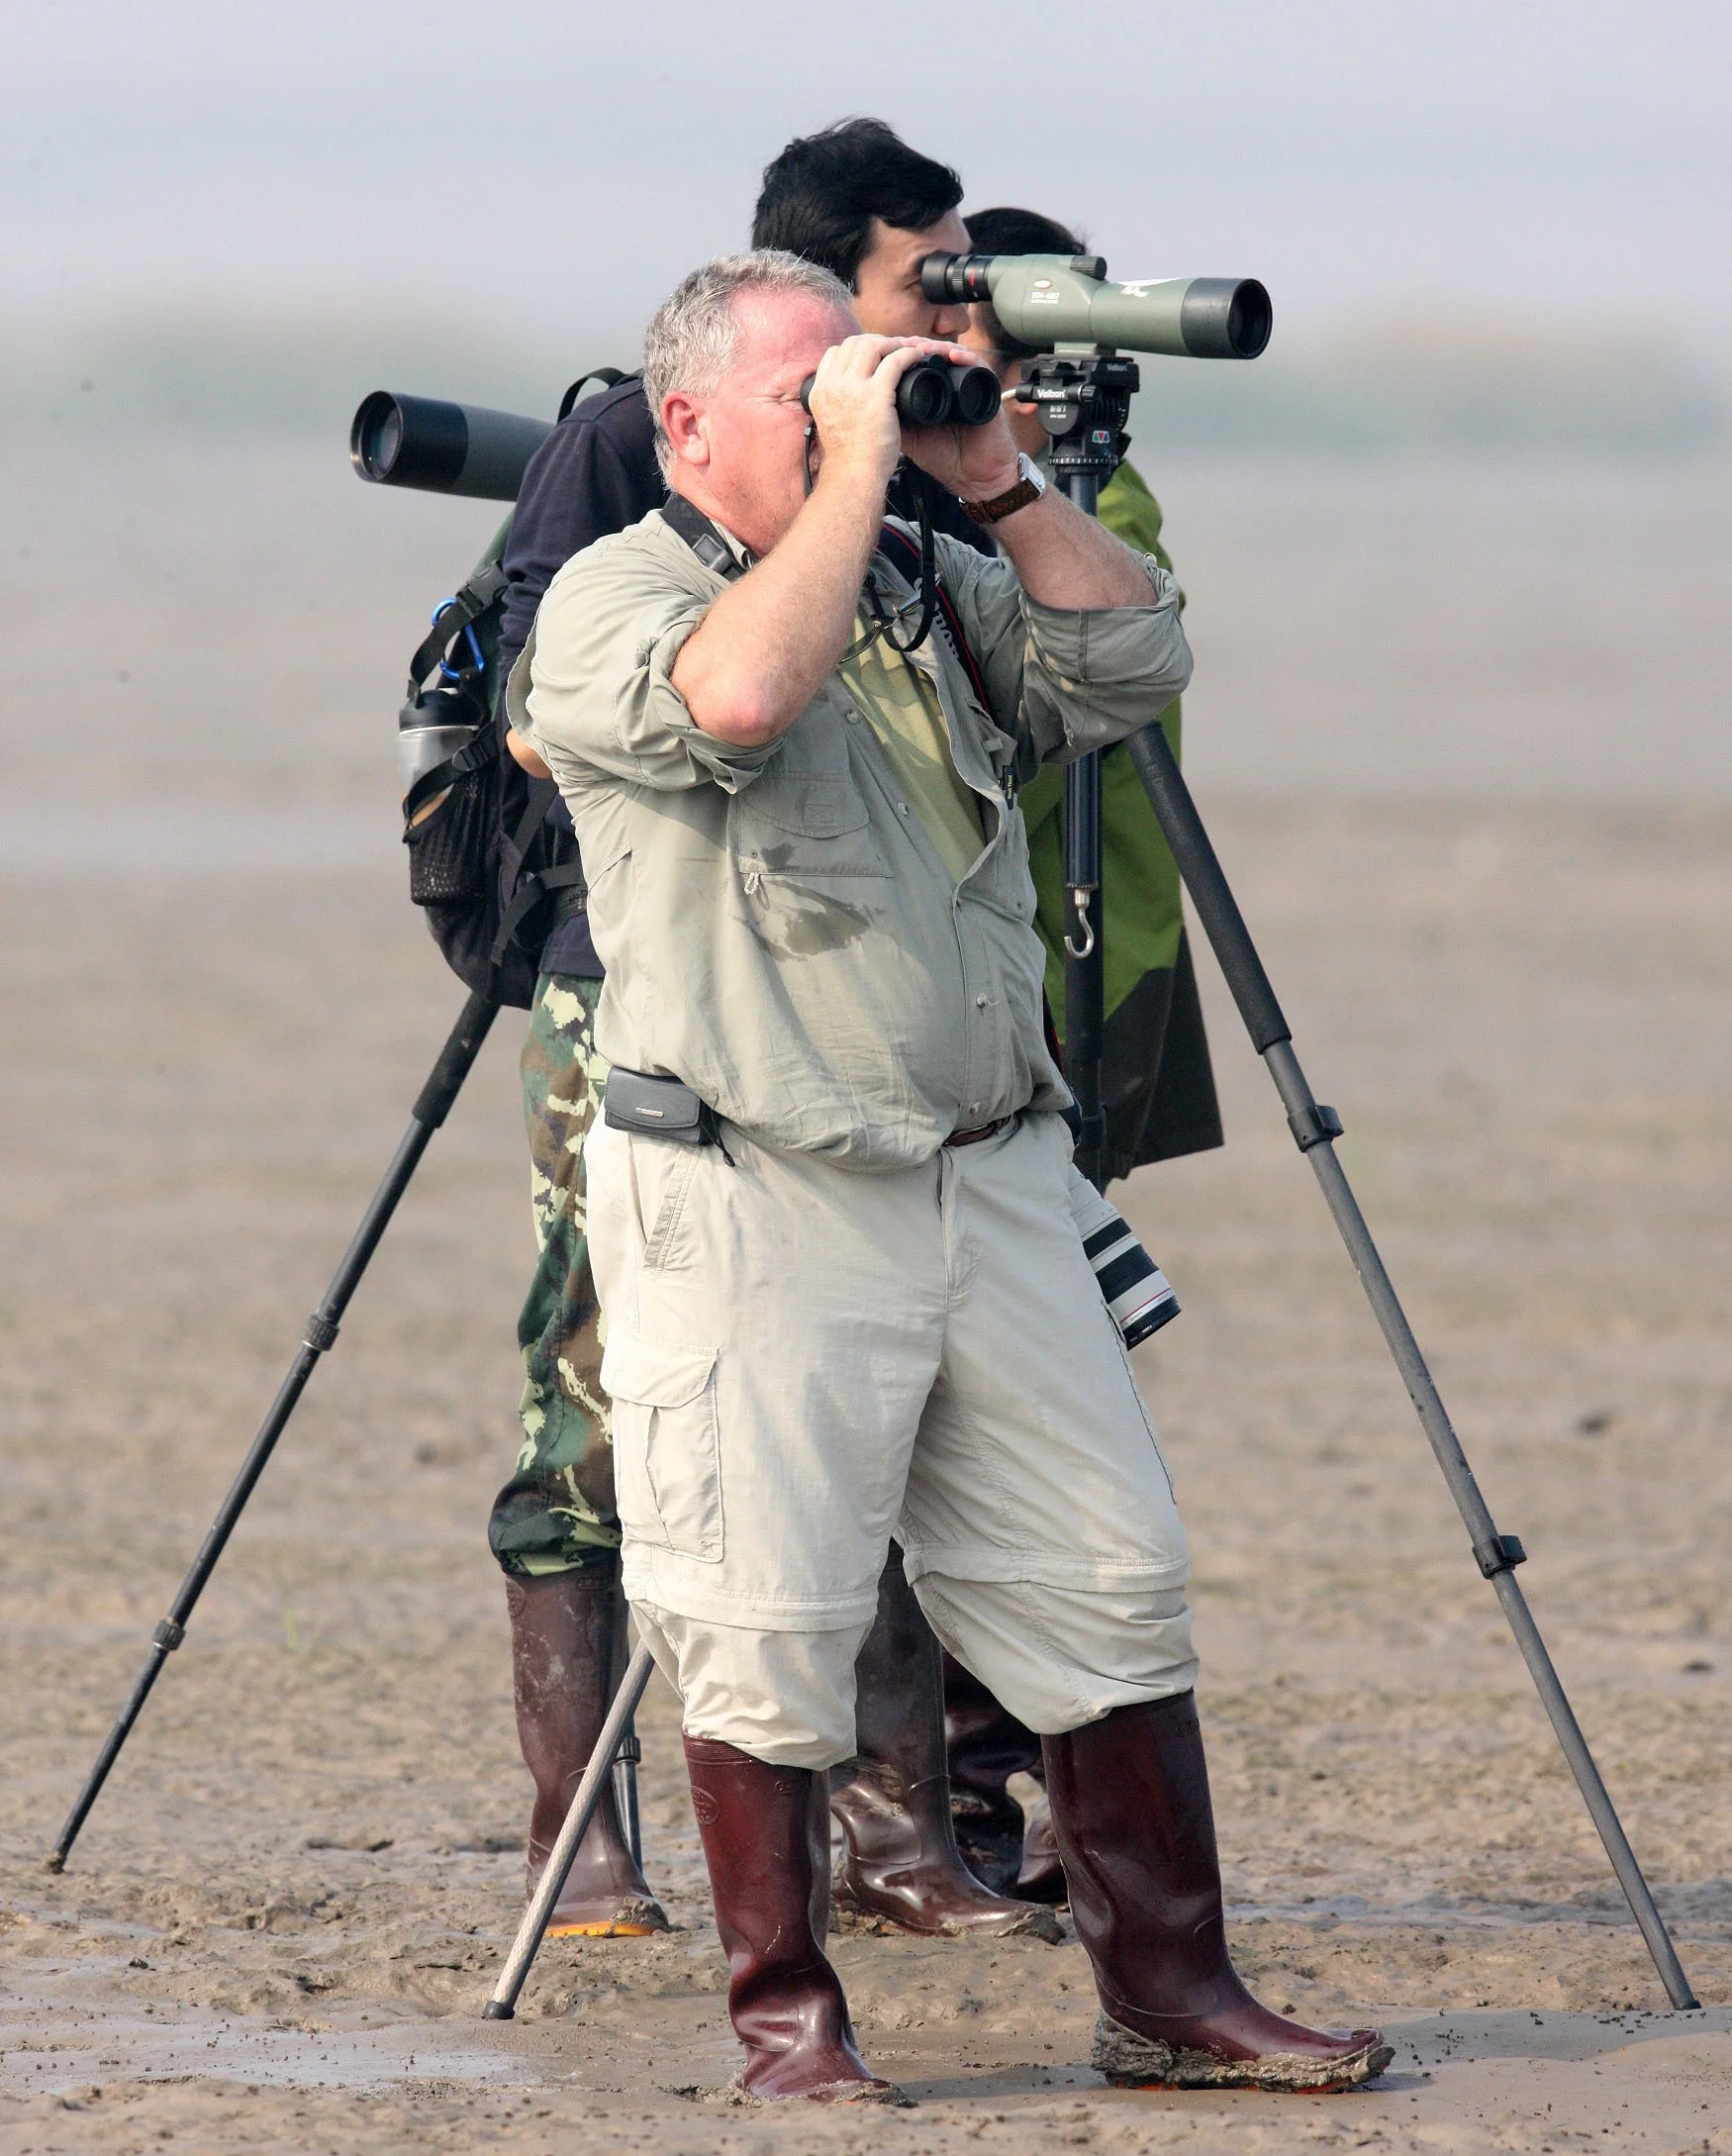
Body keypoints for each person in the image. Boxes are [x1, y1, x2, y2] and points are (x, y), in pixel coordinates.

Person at [512, 248, 1392, 2103]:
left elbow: (1131, 662)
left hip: (988, 1178)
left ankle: (1170, 1993)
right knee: (760, 1621)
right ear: (684, 422)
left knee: (1112, 1583)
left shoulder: (924, 580)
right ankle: (790, 2029)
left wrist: (988, 469)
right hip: (755, 1191)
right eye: (806, 387)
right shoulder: (614, 595)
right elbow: (738, 702)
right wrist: (855, 476)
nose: (859, 404)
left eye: (867, 374)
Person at [489, 120, 1054, 1942]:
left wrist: (997, 478)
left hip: (884, 989)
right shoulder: (632, 437)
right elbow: (540, 705)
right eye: (927, 283)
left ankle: (899, 1833)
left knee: (873, 1411)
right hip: (642, 987)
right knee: (603, 1406)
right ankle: (580, 1841)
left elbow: (1063, 682)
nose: (946, 319)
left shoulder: (909, 444)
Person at [943, 203, 1223, 1899]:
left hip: (1088, 985)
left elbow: (1093, 686)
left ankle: (985, 1783)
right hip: (1016, 983)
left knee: (1034, 1390)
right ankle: (944, 1799)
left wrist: (1007, 475)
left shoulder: (1085, 510)